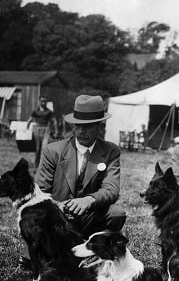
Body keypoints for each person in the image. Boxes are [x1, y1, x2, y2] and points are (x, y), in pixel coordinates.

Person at [35, 94, 126, 239]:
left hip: (90, 219)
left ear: (100, 127)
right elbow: (39, 192)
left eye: (88, 126)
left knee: (116, 214)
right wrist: (56, 206)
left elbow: (111, 189)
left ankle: (96, 249)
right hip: (57, 219)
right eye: (78, 125)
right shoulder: (53, 151)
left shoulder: (110, 151)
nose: (81, 131)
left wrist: (89, 200)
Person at [27, 96, 56, 169]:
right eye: (42, 101)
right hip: (37, 129)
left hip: (46, 129)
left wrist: (55, 130)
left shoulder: (49, 111)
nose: (43, 103)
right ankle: (36, 165)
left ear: (46, 102)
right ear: (39, 102)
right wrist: (27, 128)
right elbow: (30, 119)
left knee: (44, 147)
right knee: (37, 148)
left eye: (45, 101)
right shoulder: (35, 111)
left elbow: (54, 120)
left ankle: (43, 165)